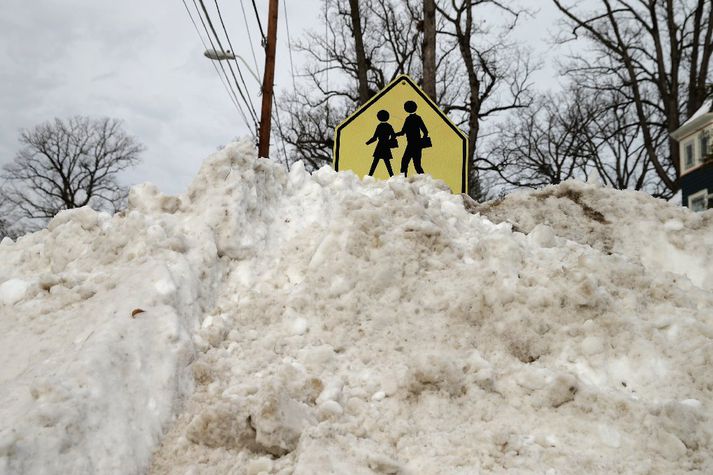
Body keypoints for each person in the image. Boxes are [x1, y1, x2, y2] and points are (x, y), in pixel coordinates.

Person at [395, 100, 428, 176]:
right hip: (415, 145)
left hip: (412, 145)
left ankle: (403, 179)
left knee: (405, 162)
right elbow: (425, 132)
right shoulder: (417, 118)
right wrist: (421, 141)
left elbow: (402, 132)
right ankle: (421, 179)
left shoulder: (408, 119)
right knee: (415, 164)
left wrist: (394, 134)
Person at [365, 110, 397, 176]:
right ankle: (392, 176)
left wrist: (367, 143)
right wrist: (390, 141)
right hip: (386, 146)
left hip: (380, 146)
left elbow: (374, 138)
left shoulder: (379, 126)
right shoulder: (389, 126)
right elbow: (393, 136)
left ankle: (370, 176)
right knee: (387, 163)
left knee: (375, 162)